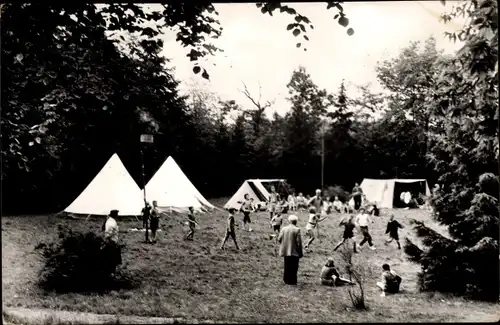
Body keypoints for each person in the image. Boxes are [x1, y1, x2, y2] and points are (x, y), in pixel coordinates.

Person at [277, 215, 303, 285]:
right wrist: (300, 252)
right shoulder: (297, 230)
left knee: (287, 265)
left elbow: (279, 239)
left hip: (286, 250)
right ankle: (292, 281)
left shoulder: (284, 229)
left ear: (289, 221)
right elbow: (299, 243)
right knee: (294, 266)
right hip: (294, 251)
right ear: (296, 222)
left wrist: (284, 245)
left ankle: (286, 279)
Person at [102, 210, 121, 275]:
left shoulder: (111, 220)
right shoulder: (111, 222)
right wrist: (108, 240)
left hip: (112, 241)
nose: (117, 215)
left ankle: (110, 272)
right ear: (114, 215)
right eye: (117, 214)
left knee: (111, 258)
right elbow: (108, 233)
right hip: (111, 242)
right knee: (112, 258)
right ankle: (111, 272)